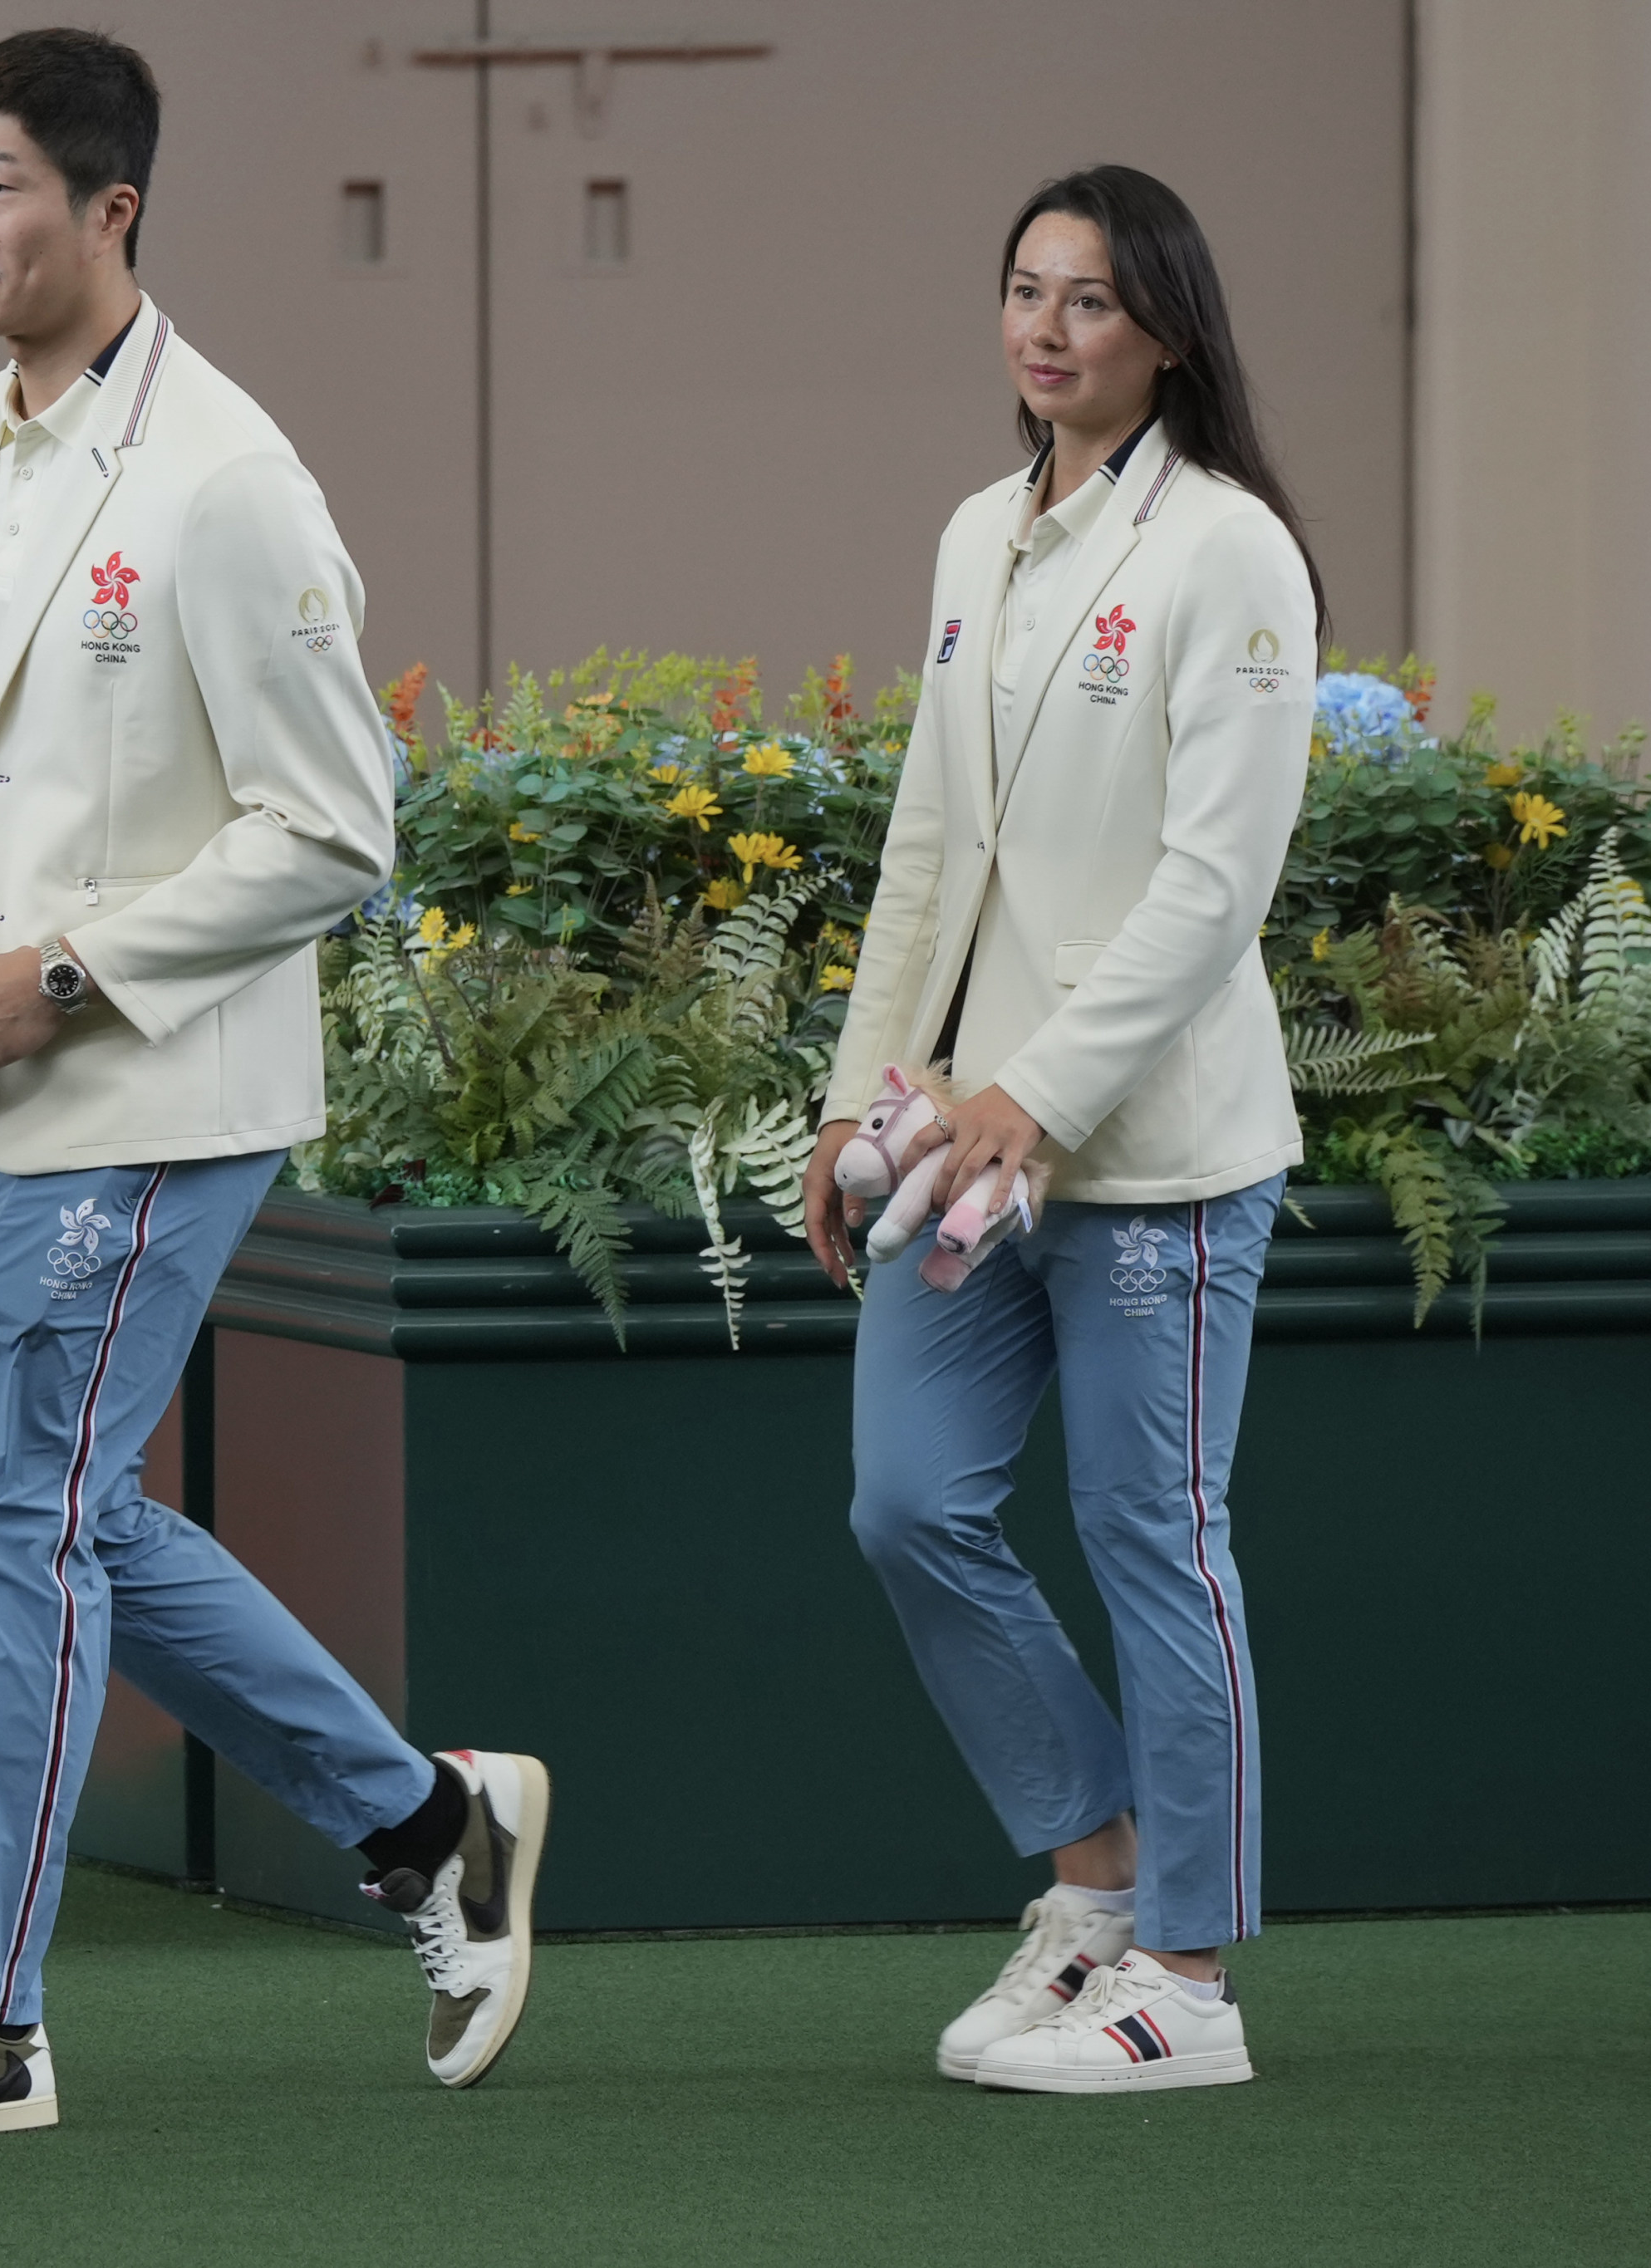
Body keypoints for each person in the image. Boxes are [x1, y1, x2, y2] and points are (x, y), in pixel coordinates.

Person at [0, 31, 552, 2142]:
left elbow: (334, 828)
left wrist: (58, 978)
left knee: (17, 1517)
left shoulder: (225, 479)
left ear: (112, 210)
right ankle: (423, 1824)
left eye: (1, 183)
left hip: (153, 1085)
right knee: (70, 1503)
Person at [801, 164, 1321, 2095]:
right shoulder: (972, 533)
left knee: (1151, 1541)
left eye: (1086, 302)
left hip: (1149, 1146)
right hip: (965, 1145)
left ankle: (1185, 1978)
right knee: (904, 1502)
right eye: (1021, 291)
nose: (1043, 329)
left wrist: (1035, 1092)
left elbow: (1213, 885)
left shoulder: (1227, 554)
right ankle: (1094, 1874)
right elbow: (927, 844)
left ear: (1164, 331)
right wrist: (861, 1097)